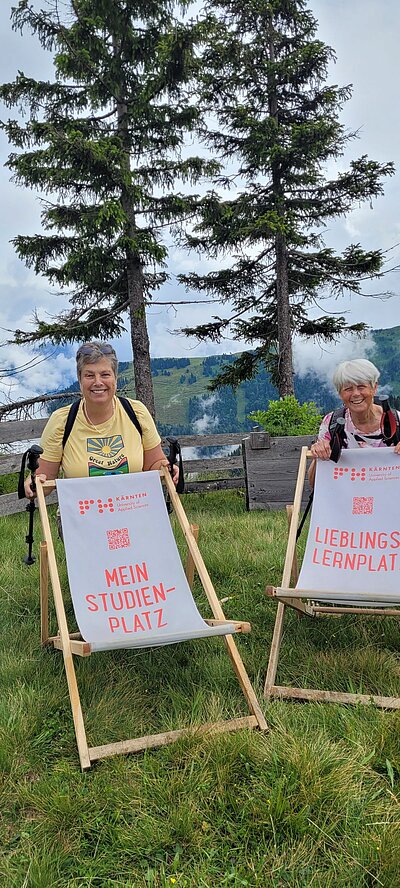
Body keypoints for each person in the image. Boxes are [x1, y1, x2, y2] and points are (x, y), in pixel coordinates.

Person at [24, 341, 178, 498]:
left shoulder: (136, 413)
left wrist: (167, 468)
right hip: (80, 516)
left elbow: (153, 464)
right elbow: (45, 480)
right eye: (89, 375)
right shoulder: (62, 421)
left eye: (105, 374)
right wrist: (34, 483)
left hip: (132, 511)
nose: (98, 382)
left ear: (115, 378)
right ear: (80, 379)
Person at [308, 358, 400, 487]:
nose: (356, 394)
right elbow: (314, 484)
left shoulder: (397, 421)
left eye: (361, 387)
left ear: (374, 387)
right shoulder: (331, 423)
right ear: (340, 393)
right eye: (348, 389)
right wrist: (318, 456)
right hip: (347, 502)